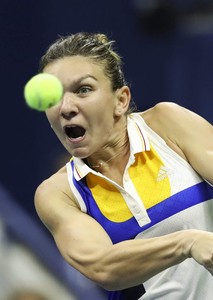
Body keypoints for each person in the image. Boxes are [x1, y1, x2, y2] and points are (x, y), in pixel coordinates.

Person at [34, 32, 213, 300]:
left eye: (83, 89)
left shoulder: (167, 124)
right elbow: (104, 267)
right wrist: (187, 242)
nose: (66, 107)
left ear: (121, 100)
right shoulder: (59, 194)